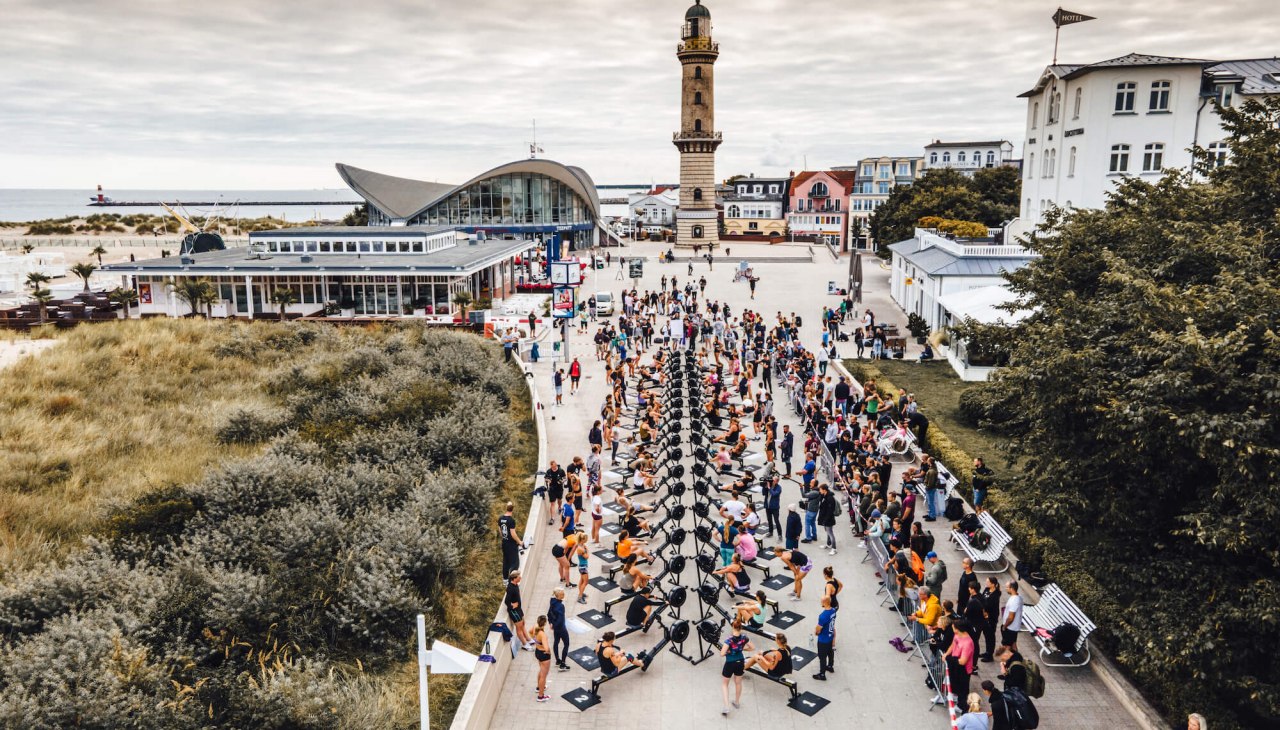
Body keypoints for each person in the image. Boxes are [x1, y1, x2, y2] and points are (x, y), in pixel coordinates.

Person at [720, 620, 753, 714]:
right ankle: (737, 702)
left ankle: (726, 707)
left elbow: (722, 653)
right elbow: (752, 647)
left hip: (730, 663)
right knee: (738, 683)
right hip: (740, 662)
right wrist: (742, 648)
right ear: (741, 628)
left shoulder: (729, 640)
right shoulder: (744, 637)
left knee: (725, 684)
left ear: (733, 627)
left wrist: (729, 652)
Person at [949, 618, 977, 704]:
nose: (952, 628)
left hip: (963, 669)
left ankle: (962, 705)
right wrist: (946, 654)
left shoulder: (968, 643)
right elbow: (953, 645)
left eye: (953, 627)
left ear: (957, 629)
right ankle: (955, 697)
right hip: (955, 665)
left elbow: (963, 661)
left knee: (963, 689)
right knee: (954, 683)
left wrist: (949, 659)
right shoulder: (957, 635)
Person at [505, 570, 533, 649]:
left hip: (519, 609)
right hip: (514, 612)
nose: (520, 578)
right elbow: (506, 601)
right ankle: (524, 644)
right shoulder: (510, 588)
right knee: (519, 628)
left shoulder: (515, 585)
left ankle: (528, 639)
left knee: (523, 623)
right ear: (514, 578)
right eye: (518, 577)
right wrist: (511, 606)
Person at [811, 595, 837, 680]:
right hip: (830, 636)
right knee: (830, 652)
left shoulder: (823, 616)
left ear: (823, 603)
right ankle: (830, 666)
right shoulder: (833, 611)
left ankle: (822, 674)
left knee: (822, 657)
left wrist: (816, 632)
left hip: (823, 639)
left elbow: (818, 628)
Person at [498, 502, 523, 582]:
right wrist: (520, 542)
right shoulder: (511, 520)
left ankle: (505, 580)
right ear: (513, 509)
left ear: (506, 508)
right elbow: (513, 534)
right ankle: (512, 580)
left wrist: (504, 539)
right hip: (511, 545)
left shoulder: (500, 518)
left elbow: (500, 531)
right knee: (515, 563)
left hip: (504, 543)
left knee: (506, 561)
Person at [548, 588, 570, 671]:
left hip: (555, 627)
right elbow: (560, 620)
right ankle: (563, 664)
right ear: (558, 596)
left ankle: (557, 660)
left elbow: (549, 613)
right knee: (566, 644)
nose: (564, 595)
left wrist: (551, 623)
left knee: (556, 642)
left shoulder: (552, 602)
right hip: (561, 628)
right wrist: (556, 626)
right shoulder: (561, 606)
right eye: (562, 594)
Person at [980, 577, 1001, 661]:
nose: (986, 583)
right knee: (986, 634)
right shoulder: (987, 589)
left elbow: (989, 606)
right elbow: (982, 598)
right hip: (984, 617)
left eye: (988, 582)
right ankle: (987, 652)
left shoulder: (996, 594)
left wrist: (984, 609)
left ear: (993, 584)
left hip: (991, 618)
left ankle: (990, 655)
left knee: (990, 636)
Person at [1000, 581, 1023, 650]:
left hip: (1010, 627)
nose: (1006, 589)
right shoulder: (1018, 597)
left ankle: (1004, 660)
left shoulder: (1014, 600)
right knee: (1013, 644)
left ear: (1012, 588)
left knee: (1006, 646)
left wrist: (1004, 626)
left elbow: (1010, 618)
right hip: (1013, 627)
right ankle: (1017, 658)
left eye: (1007, 587)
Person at [817, 483, 839, 555]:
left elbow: (830, 510)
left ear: (824, 490)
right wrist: (821, 495)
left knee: (830, 533)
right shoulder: (824, 495)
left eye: (820, 490)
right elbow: (820, 500)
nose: (819, 491)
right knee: (827, 532)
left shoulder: (830, 498)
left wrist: (825, 520)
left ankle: (834, 548)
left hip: (828, 519)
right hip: (825, 518)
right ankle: (828, 544)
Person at [544, 460, 566, 526]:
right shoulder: (548, 471)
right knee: (552, 503)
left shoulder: (561, 471)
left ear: (556, 465)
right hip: (552, 489)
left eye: (554, 467)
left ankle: (559, 507)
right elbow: (545, 478)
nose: (553, 468)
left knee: (559, 500)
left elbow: (565, 478)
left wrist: (561, 481)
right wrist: (548, 480)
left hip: (559, 489)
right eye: (551, 467)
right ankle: (552, 518)